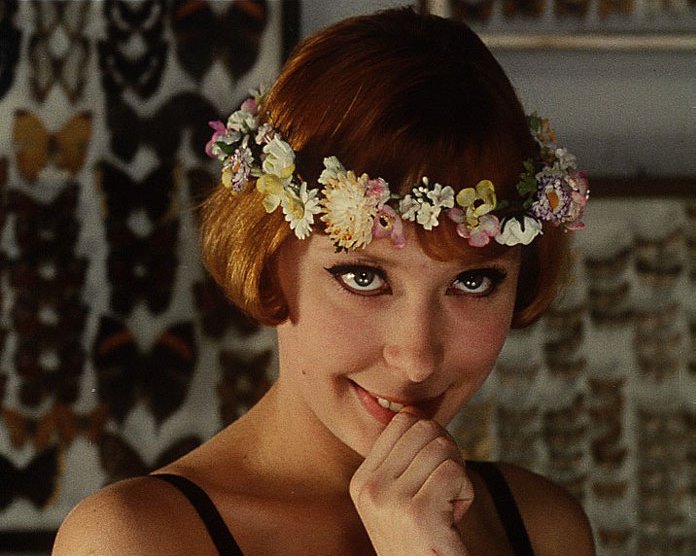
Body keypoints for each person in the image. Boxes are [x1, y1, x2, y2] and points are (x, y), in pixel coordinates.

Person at [53, 7, 594, 555]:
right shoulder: (134, 540)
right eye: (364, 277)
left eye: (473, 283)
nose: (417, 359)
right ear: (269, 260)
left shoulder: (543, 529)